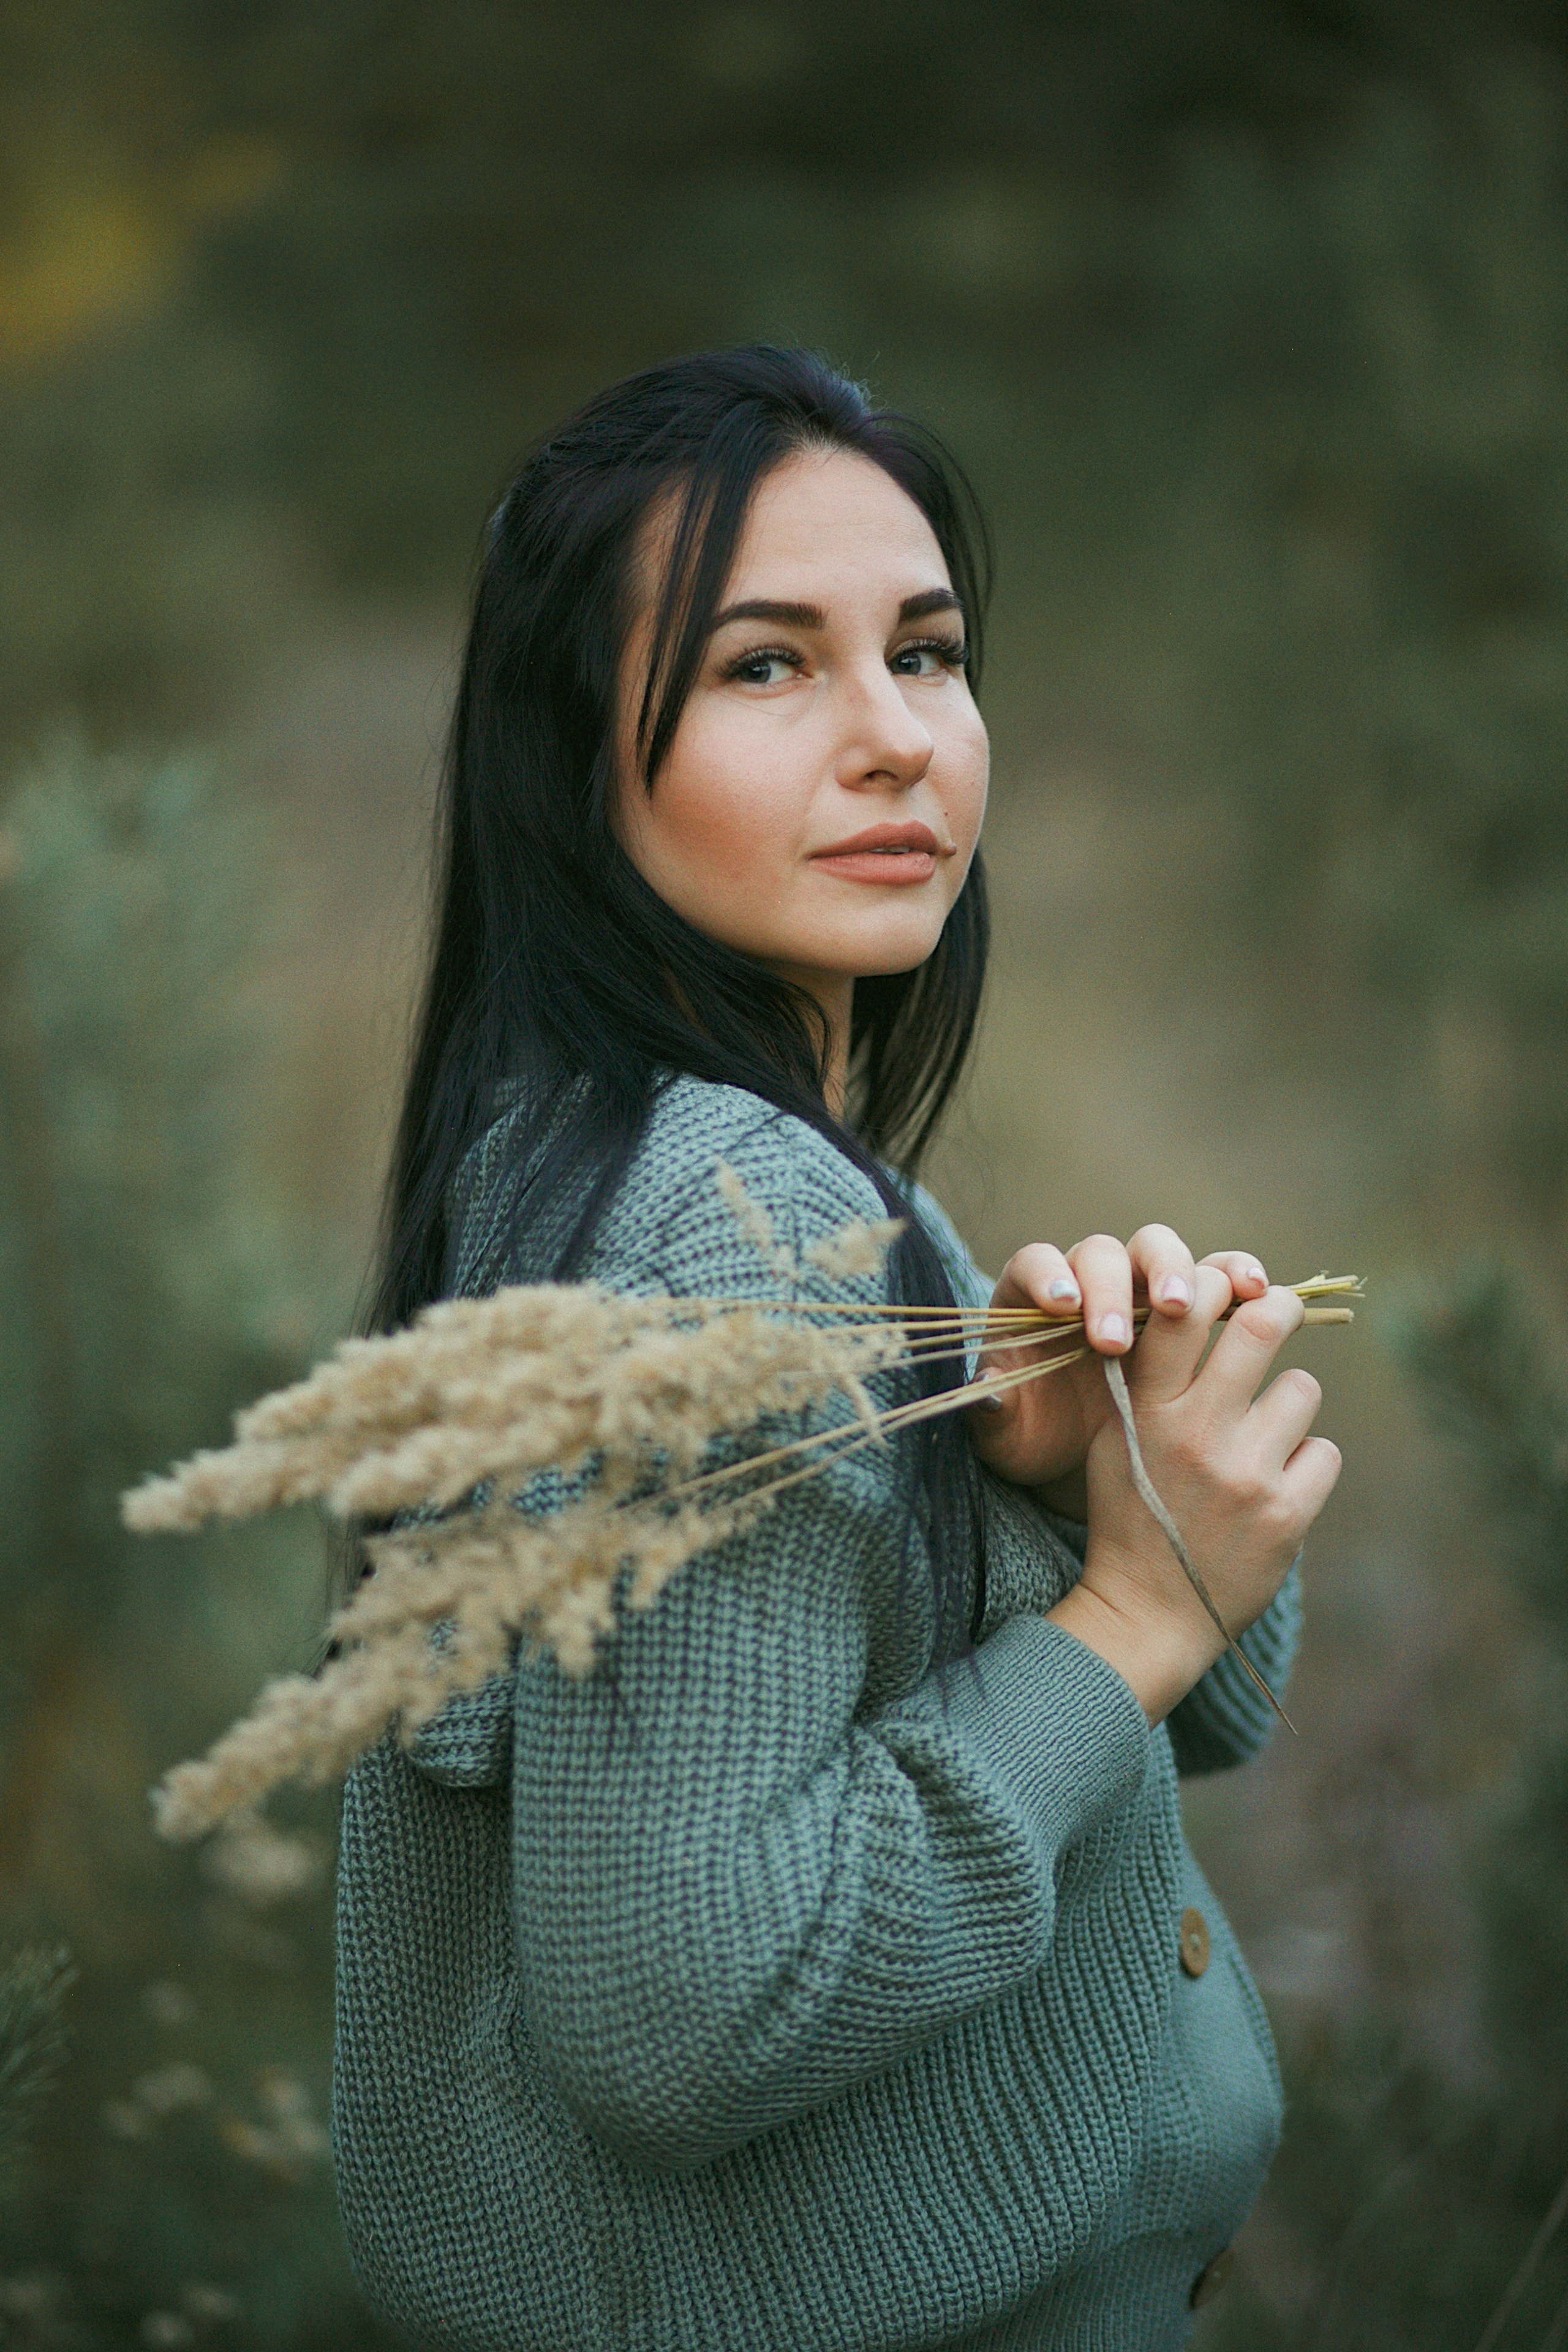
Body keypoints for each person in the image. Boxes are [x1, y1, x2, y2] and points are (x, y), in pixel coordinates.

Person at [331, 346, 1341, 2352]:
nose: (897, 739)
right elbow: (681, 2009)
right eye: (766, 666)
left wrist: (1079, 1476)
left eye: (930, 653)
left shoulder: (690, 1165)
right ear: (572, 754)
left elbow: (1204, 1721)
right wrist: (1131, 1615)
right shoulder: (723, 1232)